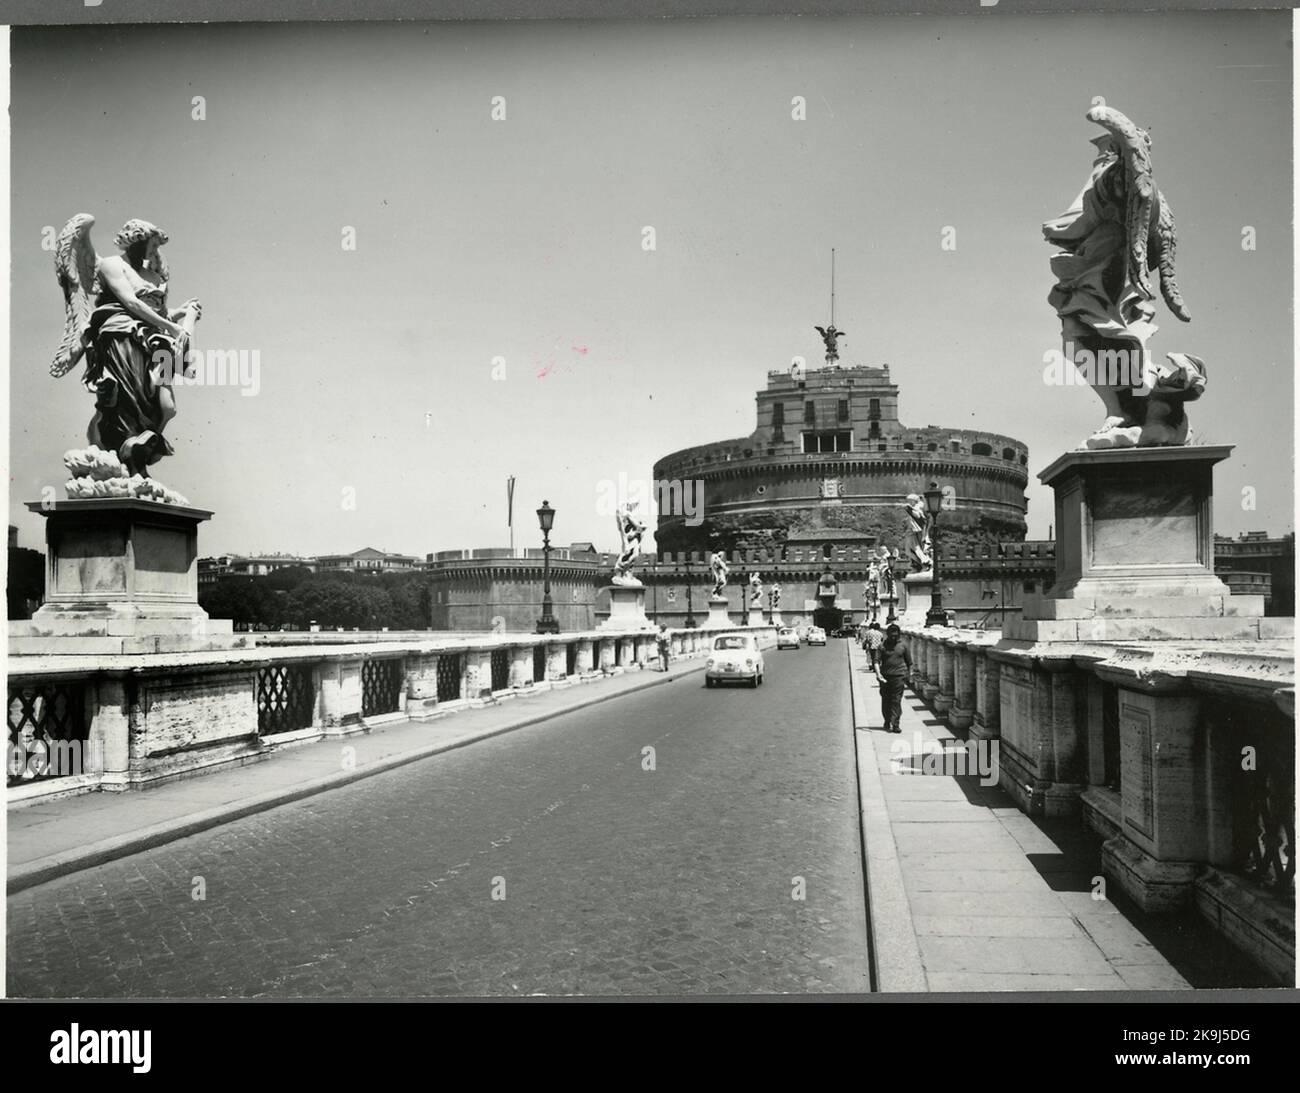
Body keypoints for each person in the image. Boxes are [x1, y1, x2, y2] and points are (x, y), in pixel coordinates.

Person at [870, 623, 911, 734]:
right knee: (886, 700)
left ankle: (895, 723)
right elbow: (876, 661)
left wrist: (908, 675)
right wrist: (878, 674)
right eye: (891, 635)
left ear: (898, 635)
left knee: (896, 700)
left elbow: (909, 662)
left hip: (899, 676)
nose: (893, 637)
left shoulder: (903, 646)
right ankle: (887, 720)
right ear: (887, 634)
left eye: (895, 635)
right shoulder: (882, 646)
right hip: (885, 677)